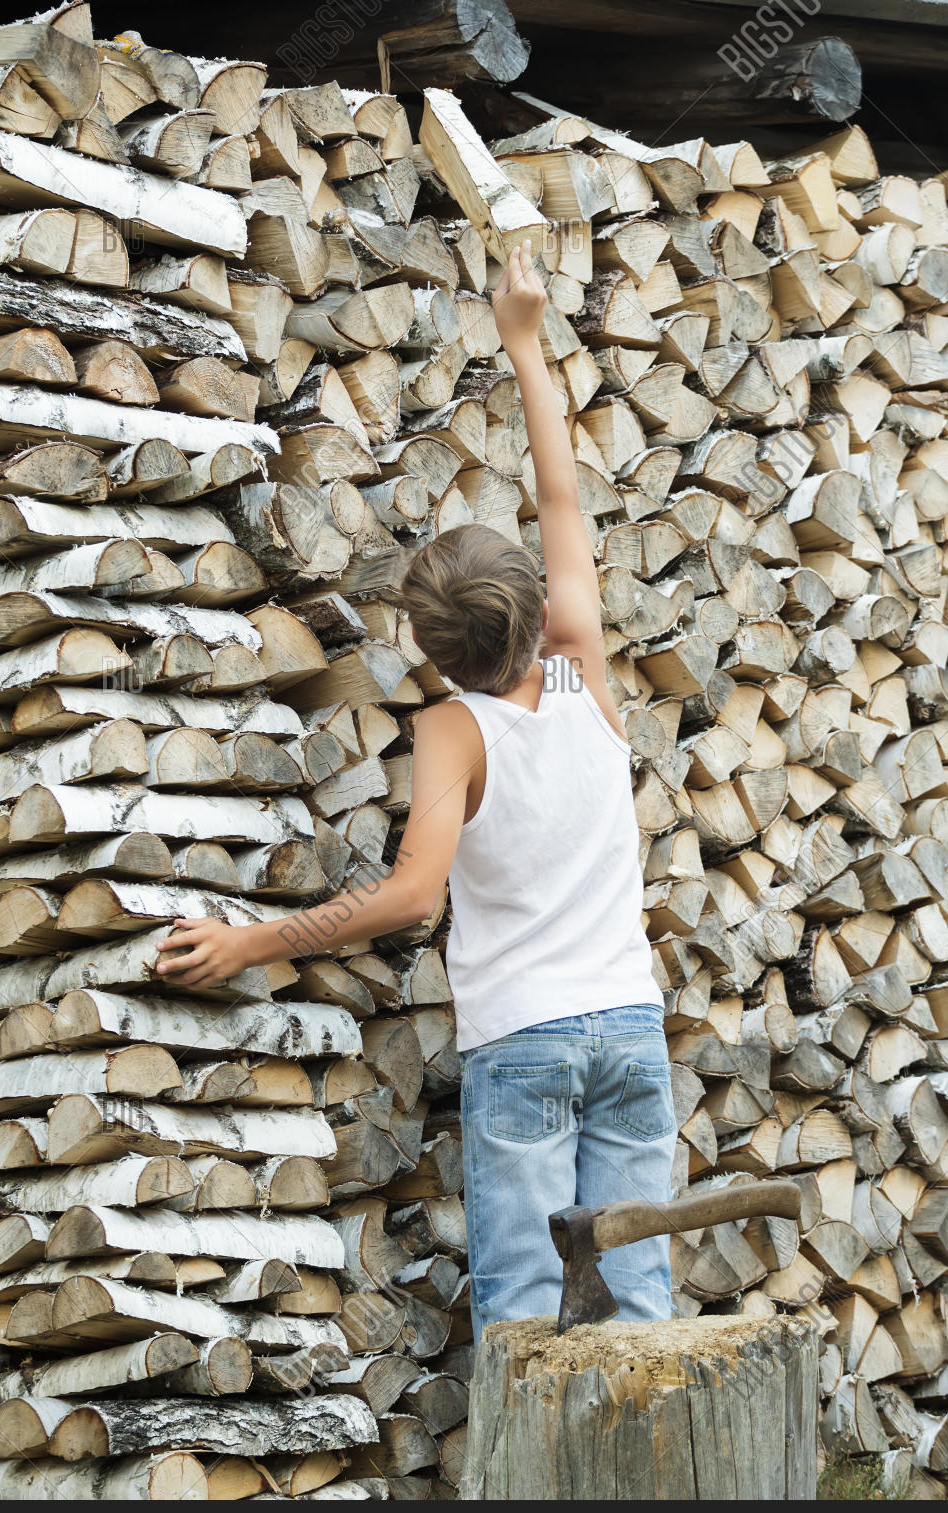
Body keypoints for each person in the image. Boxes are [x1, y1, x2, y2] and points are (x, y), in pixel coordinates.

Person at [156, 240, 676, 1342]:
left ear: (431, 653)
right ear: (538, 611)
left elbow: (409, 897)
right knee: (639, 1308)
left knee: (526, 1315)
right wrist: (525, 341)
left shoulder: (452, 729)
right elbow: (561, 494)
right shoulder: (585, 674)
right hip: (630, 1025)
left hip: (526, 1039)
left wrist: (252, 942)